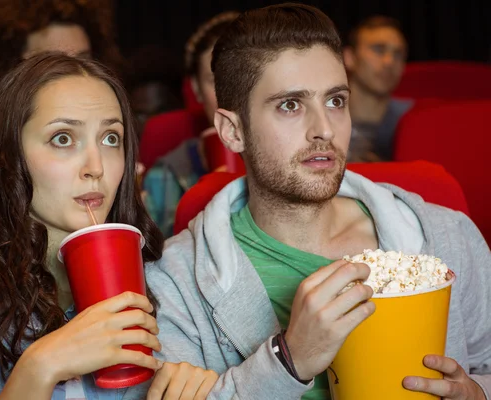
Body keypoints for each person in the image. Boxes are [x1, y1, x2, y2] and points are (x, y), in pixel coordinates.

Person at [145, 3, 491, 399]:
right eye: (290, 105)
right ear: (232, 130)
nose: (324, 129)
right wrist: (289, 360)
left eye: (336, 101)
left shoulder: (449, 236)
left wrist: (477, 393)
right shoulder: (173, 283)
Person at [0, 53, 218, 399]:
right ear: (9, 156)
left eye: (111, 138)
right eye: (63, 138)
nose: (95, 167)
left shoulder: (165, 279)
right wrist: (40, 367)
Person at [0, 0, 123, 184]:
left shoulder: (108, 141)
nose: (74, 73)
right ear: (10, 69)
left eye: (83, 59)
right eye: (52, 63)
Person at [142, 11, 240, 237]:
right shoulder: (165, 175)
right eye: (215, 80)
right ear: (196, 89)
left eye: (241, 76)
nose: (231, 92)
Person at [343, 16, 413, 162]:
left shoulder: (415, 119)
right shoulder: (322, 119)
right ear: (349, 57)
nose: (389, 61)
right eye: (378, 50)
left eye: (398, 53)